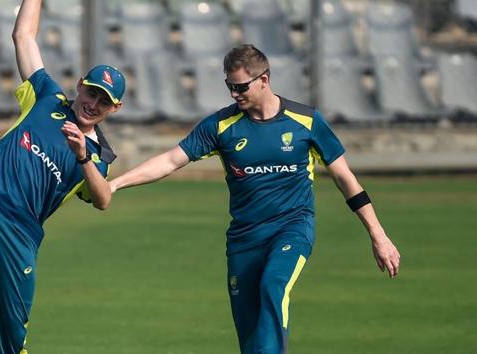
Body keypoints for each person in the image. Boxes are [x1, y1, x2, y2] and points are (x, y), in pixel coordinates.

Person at [109, 44, 401, 354]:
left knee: (273, 284)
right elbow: (170, 161)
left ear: (264, 79)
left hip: (292, 228)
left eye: (240, 86)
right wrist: (115, 184)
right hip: (244, 240)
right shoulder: (221, 126)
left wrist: (378, 235)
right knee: (250, 342)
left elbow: (346, 178)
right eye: (229, 86)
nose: (234, 93)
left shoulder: (306, 122)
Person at [0, 1, 124, 352]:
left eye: (104, 101)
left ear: (114, 109)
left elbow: (104, 199)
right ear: (80, 85)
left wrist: (82, 157)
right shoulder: (48, 97)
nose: (93, 104)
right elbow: (23, 35)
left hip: (19, 235)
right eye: (92, 92)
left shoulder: (97, 157)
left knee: (12, 336)